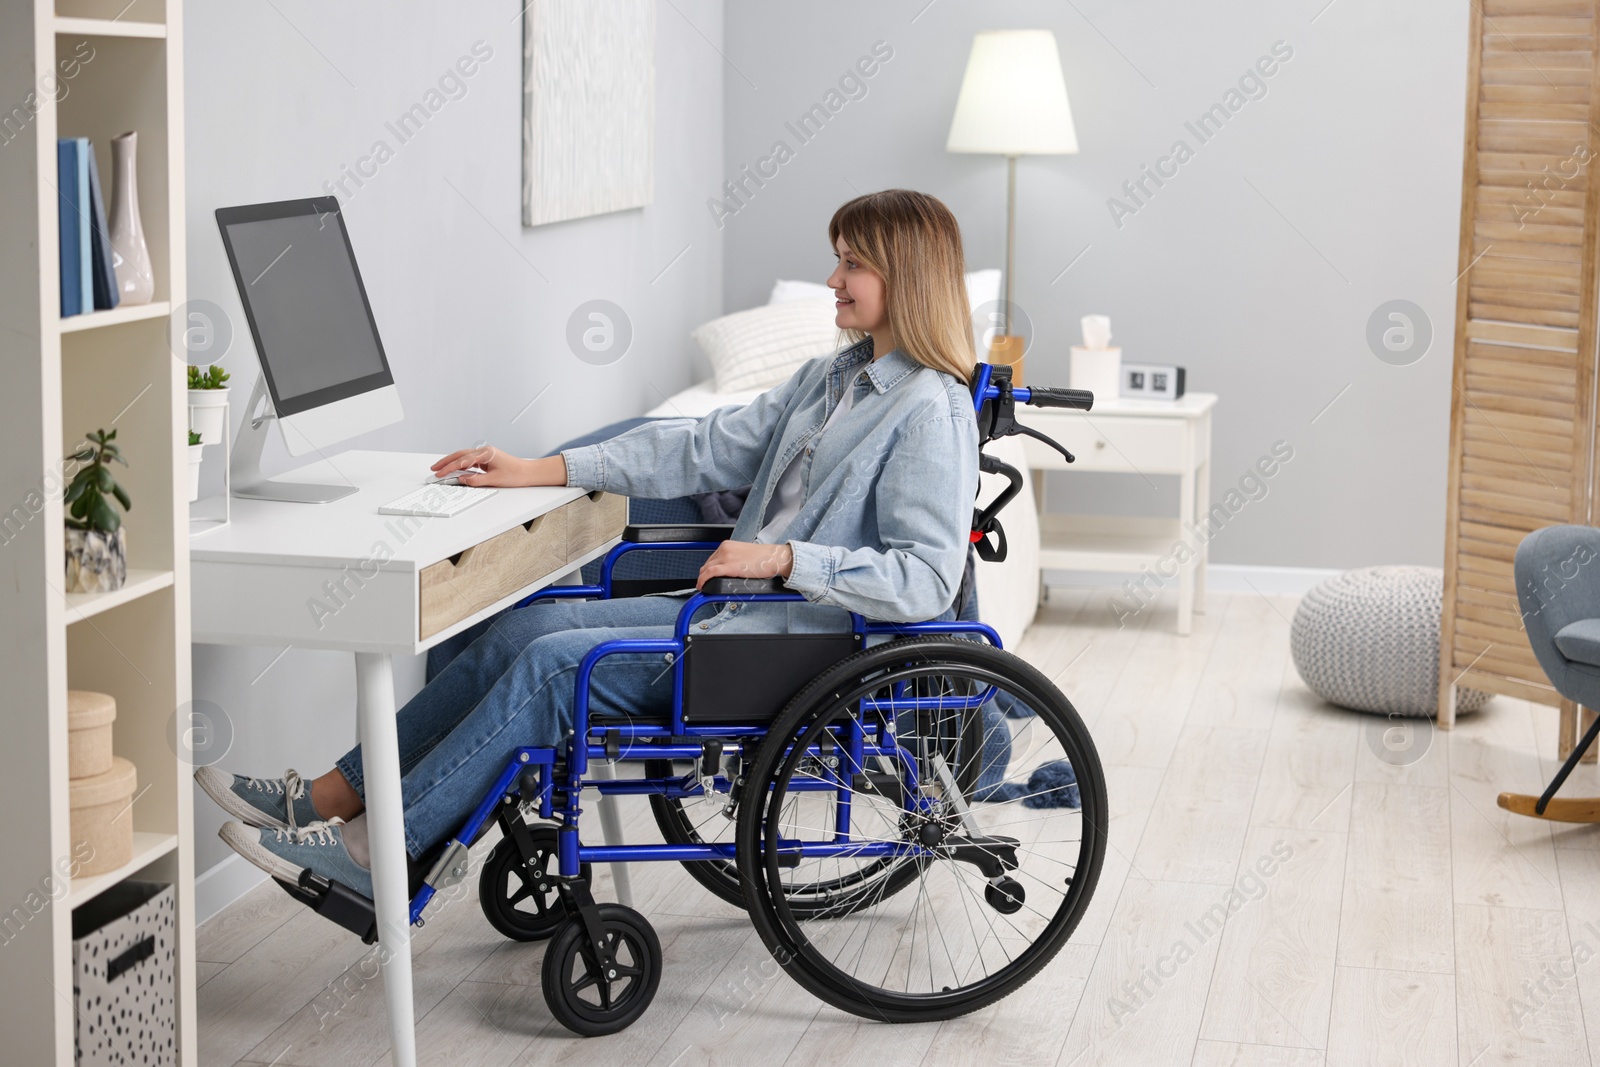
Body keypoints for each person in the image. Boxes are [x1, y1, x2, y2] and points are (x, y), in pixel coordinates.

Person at [200, 188, 981, 899]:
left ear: (904, 278)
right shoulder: (830, 378)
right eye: (838, 258)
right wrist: (541, 469)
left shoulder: (928, 410)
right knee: (519, 627)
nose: (833, 277)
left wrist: (782, 558)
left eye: (853, 264)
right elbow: (698, 446)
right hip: (729, 622)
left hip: (792, 645)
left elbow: (924, 578)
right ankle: (336, 793)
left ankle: (383, 856)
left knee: (551, 667)